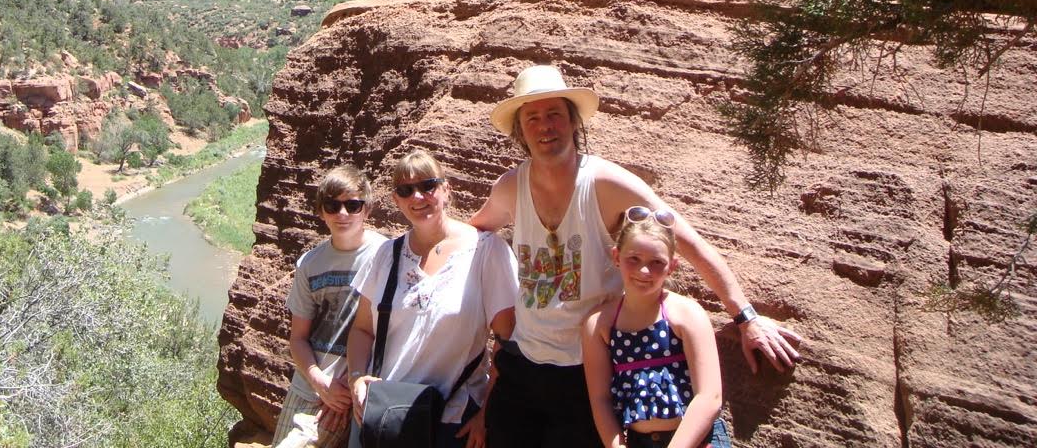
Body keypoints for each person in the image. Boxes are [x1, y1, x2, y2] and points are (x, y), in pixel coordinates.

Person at [470, 65, 802, 448]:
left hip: (588, 370)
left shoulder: (604, 183)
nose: (545, 126)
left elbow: (686, 241)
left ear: (573, 122)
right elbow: (476, 230)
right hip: (523, 366)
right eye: (533, 118)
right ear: (521, 131)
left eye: (554, 114)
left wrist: (745, 317)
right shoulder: (512, 186)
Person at [346, 149, 518, 448]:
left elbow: (509, 340)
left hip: (453, 421)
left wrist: (489, 413)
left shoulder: (486, 251)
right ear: (396, 200)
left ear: (446, 189)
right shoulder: (385, 256)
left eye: (428, 186)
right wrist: (357, 379)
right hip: (387, 416)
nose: (418, 197)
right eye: (406, 190)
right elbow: (362, 329)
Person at [582, 207, 730, 448]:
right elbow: (601, 400)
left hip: (698, 440)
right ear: (616, 256)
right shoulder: (599, 325)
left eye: (656, 263)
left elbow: (709, 397)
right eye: (634, 259)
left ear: (672, 266)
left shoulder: (686, 314)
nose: (644, 271)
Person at [272, 166, 388, 448]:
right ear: (321, 211)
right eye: (332, 205)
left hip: (358, 392)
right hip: (309, 387)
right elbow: (298, 339)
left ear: (367, 209)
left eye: (353, 205)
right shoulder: (310, 264)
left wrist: (350, 388)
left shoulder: (386, 256)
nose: (343, 214)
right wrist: (320, 383)